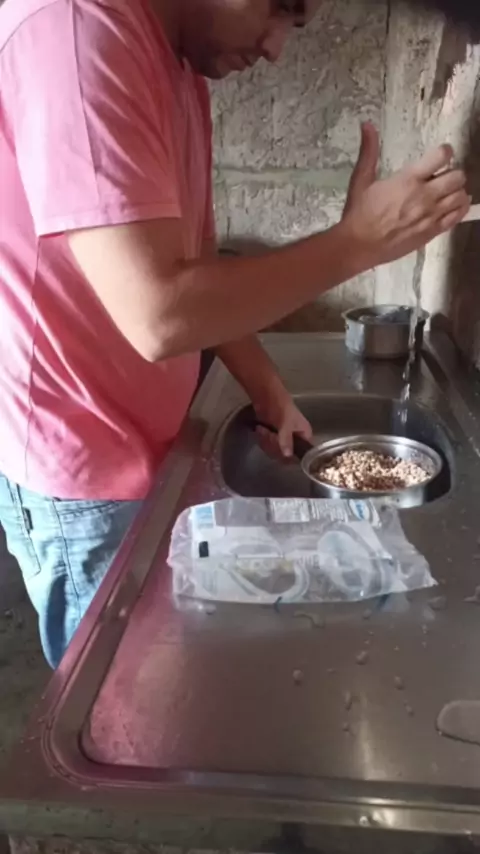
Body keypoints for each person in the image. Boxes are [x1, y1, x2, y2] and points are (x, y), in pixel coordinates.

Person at [0, 0, 470, 668]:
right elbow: (160, 314)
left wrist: (268, 389)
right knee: (115, 703)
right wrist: (357, 244)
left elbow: (197, 267)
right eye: (278, 8)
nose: (275, 47)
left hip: (148, 440)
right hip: (83, 469)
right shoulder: (77, 29)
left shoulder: (180, 64)